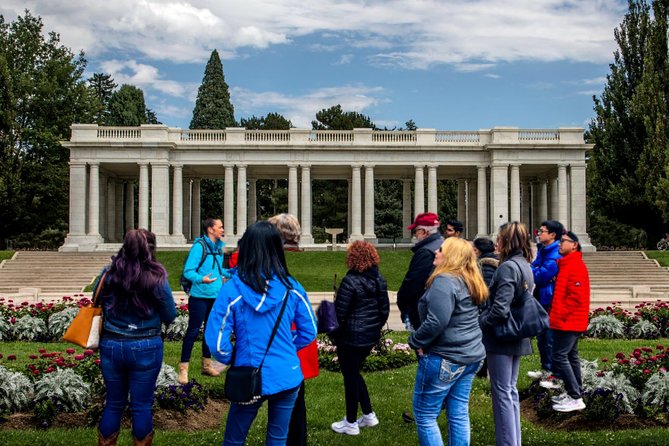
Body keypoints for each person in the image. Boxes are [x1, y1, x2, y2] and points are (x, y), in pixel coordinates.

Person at [204, 221, 317, 446]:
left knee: (234, 439)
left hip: (248, 372)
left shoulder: (232, 290)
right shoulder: (292, 287)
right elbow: (310, 331)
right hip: (286, 373)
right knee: (278, 438)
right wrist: (286, 348)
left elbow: (216, 342)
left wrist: (231, 357)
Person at [96, 229, 176, 446]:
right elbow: (170, 315)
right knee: (141, 405)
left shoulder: (108, 274)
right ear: (150, 249)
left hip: (112, 344)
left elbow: (96, 302)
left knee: (113, 403)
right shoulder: (156, 277)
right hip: (146, 346)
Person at [409, 237, 488, 446]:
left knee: (425, 415)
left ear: (451, 255)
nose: (436, 252)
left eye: (441, 250)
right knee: (459, 412)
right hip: (471, 356)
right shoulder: (470, 279)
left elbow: (437, 321)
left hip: (446, 357)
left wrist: (415, 341)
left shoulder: (444, 281)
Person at [479, 222, 534, 446]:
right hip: (517, 334)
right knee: (509, 391)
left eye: (499, 239)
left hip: (502, 336)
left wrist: (482, 321)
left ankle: (507, 442)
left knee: (502, 393)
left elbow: (500, 308)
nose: (496, 243)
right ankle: (513, 441)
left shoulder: (508, 267)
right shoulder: (525, 264)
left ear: (507, 242)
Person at [267, 213, 319, 446]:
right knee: (295, 404)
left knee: (287, 405)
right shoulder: (279, 264)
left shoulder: (276, 266)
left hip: (285, 345)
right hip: (295, 345)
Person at [330, 241, 390, 436]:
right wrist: (374, 328)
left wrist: (334, 334)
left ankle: (350, 422)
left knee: (350, 377)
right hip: (368, 336)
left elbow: (339, 314)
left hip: (351, 338)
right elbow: (384, 310)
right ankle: (368, 414)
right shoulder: (379, 278)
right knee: (354, 373)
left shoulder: (350, 281)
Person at [541, 231, 590, 412]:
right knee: (571, 356)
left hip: (569, 321)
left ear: (574, 245)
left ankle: (576, 397)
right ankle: (575, 393)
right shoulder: (567, 264)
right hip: (567, 320)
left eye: (563, 241)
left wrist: (559, 314)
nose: (560, 244)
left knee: (560, 356)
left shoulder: (575, 265)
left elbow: (575, 297)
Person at [178, 218, 231, 384]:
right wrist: (202, 279)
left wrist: (236, 273)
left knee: (210, 331)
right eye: (220, 227)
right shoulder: (199, 247)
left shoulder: (218, 248)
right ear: (210, 229)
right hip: (199, 296)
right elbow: (188, 271)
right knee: (193, 331)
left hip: (215, 296)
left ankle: (206, 365)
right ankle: (183, 369)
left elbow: (220, 269)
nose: (222, 229)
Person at [527, 220, 564, 380]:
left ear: (552, 235)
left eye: (542, 231)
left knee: (549, 337)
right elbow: (534, 269)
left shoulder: (555, 253)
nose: (538, 234)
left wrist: (534, 269)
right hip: (541, 297)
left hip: (549, 299)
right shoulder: (544, 250)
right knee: (542, 336)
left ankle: (552, 372)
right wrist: (534, 269)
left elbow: (540, 276)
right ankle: (546, 369)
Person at [397, 212, 444, 332]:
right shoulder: (443, 245)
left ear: (424, 232)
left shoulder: (425, 252)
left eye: (416, 231)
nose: (415, 234)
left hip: (421, 311)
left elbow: (412, 283)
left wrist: (402, 304)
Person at [473, 237, 498, 379]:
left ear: (478, 251)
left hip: (485, 310)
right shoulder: (490, 263)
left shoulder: (486, 265)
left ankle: (482, 372)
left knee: (484, 342)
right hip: (487, 309)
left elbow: (486, 290)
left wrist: (481, 308)